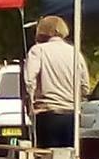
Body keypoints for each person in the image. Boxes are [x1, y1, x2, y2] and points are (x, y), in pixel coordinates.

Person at [22, 14, 88, 149]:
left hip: (47, 113)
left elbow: (29, 81)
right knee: (68, 158)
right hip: (71, 114)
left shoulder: (38, 50)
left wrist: (31, 102)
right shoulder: (75, 53)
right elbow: (85, 86)